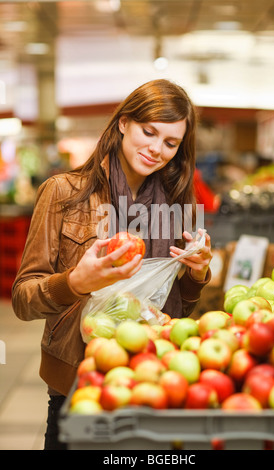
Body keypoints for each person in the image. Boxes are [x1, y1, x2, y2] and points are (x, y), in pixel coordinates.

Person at [11, 79, 212, 450]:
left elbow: (176, 308)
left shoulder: (177, 204)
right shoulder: (63, 193)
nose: (156, 149)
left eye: (171, 143)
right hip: (80, 379)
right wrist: (74, 282)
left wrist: (196, 275)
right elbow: (23, 300)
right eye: (148, 132)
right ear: (123, 123)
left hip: (154, 378)